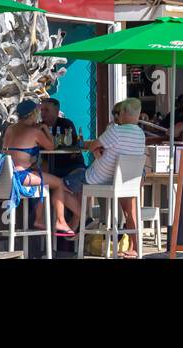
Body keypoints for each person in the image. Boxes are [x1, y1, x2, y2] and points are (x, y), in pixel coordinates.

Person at [62, 98, 146, 256]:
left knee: (61, 184)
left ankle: (78, 217)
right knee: (130, 212)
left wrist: (95, 150)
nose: (118, 116)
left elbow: (94, 144)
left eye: (119, 113)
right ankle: (135, 248)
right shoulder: (140, 134)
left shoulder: (115, 130)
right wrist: (97, 149)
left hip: (101, 179)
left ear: (124, 113)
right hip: (126, 181)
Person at [3, 99, 81, 236]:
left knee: (43, 179)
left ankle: (39, 220)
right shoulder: (34, 131)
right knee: (58, 182)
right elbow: (51, 146)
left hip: (6, 176)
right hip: (21, 176)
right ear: (33, 114)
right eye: (39, 111)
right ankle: (61, 221)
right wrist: (45, 129)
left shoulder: (10, 128)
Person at [39, 97, 84, 180]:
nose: (43, 113)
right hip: (49, 165)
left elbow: (74, 145)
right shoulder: (39, 127)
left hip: (69, 165)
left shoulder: (66, 124)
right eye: (41, 110)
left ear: (56, 112)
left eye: (46, 110)